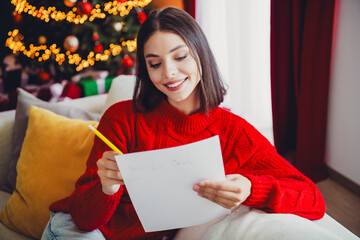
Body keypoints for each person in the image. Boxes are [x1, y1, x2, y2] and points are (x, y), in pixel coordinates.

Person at [41, 7, 335, 240]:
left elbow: (313, 199)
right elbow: (84, 220)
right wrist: (106, 188)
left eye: (180, 56)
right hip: (83, 229)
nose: (169, 73)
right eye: (154, 63)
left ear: (200, 56)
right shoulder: (121, 118)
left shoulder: (232, 131)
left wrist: (250, 187)